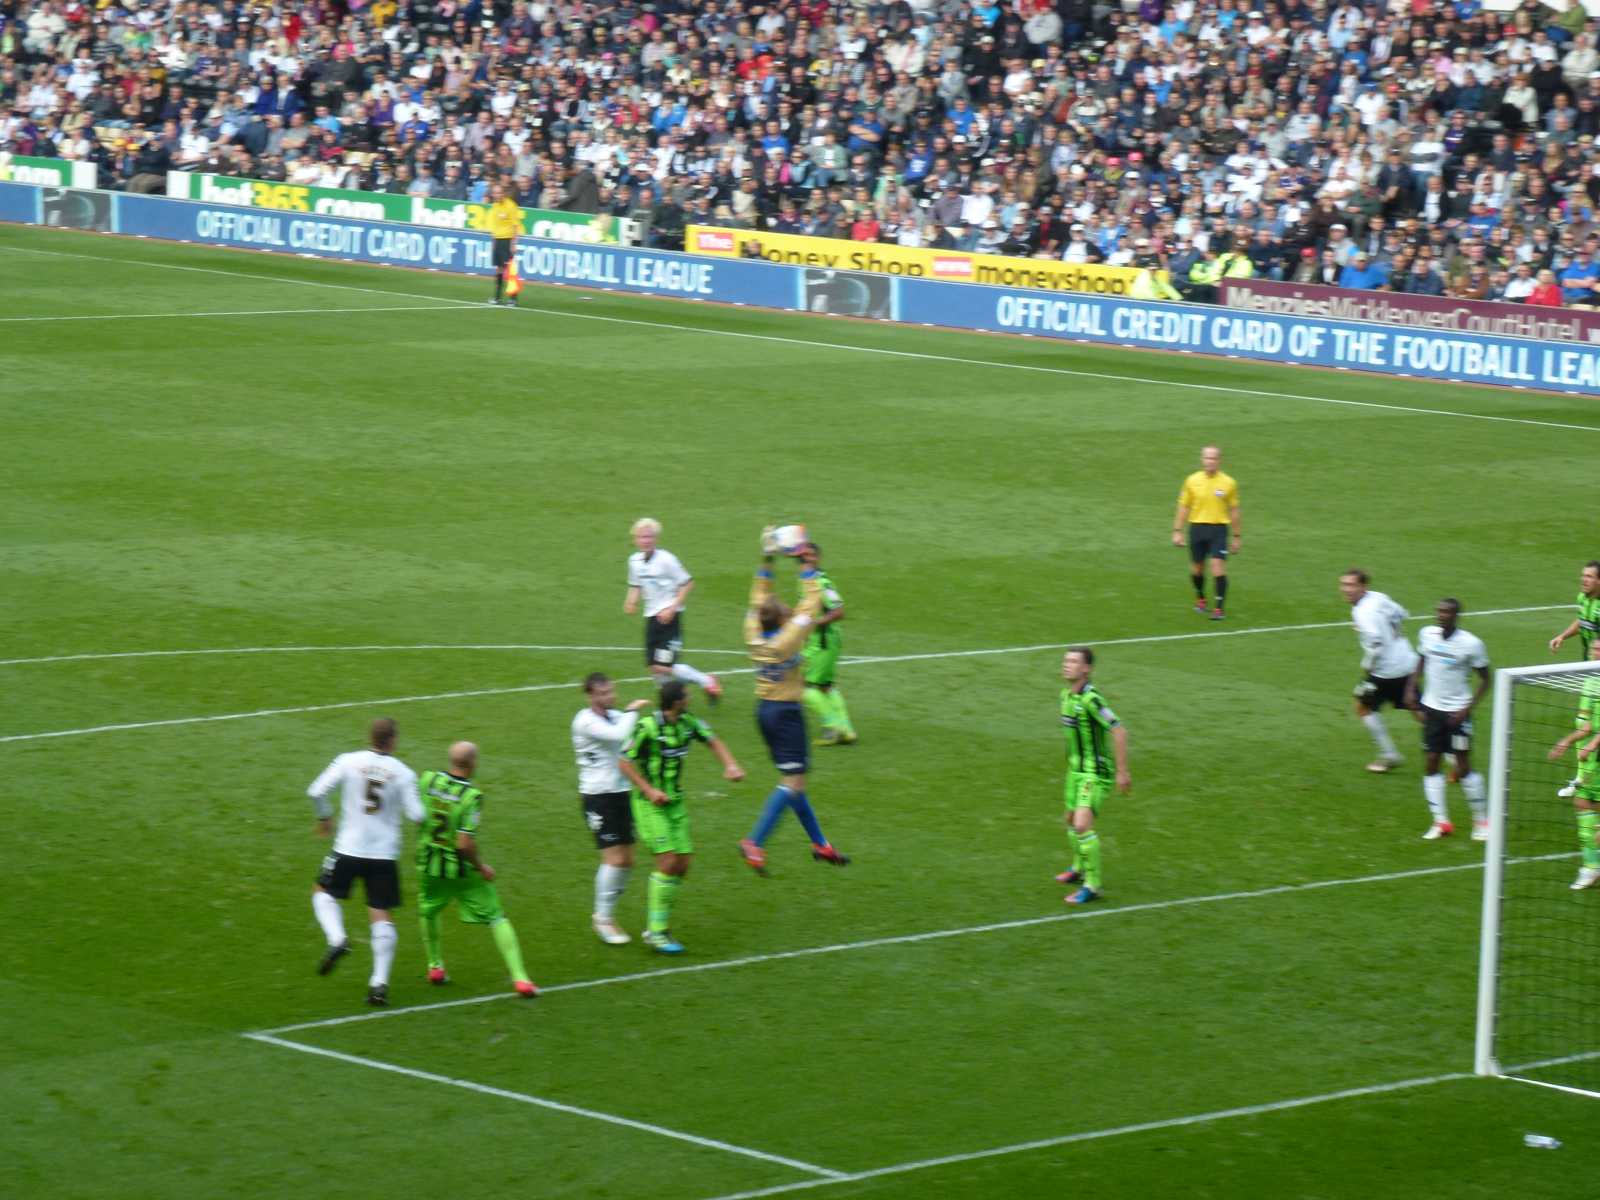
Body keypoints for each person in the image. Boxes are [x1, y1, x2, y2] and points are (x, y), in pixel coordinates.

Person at [737, 533, 851, 875]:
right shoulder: (790, 638)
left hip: (764, 711)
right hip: (786, 714)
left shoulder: (752, 630)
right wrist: (806, 564)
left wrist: (768, 557)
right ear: (782, 619)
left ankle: (821, 844)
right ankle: (754, 842)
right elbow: (811, 605)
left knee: (794, 782)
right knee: (793, 784)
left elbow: (759, 594)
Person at [619, 679, 744, 954]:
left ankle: (658, 924)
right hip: (650, 804)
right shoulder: (647, 727)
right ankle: (657, 931)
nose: (690, 697)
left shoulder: (688, 722)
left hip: (675, 801)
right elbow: (624, 761)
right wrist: (649, 790)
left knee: (683, 865)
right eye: (687, 694)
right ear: (676, 701)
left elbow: (713, 741)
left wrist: (730, 765)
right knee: (667, 860)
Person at [306, 717, 424, 1007]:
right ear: (394, 740)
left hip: (348, 848)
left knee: (322, 893)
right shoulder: (404, 774)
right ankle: (378, 983)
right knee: (380, 914)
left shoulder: (348, 761)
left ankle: (337, 938)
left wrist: (325, 817)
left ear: (370, 736)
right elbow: (417, 815)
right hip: (383, 855)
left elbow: (315, 791)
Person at [414, 742, 537, 997]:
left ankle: (435, 966)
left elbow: (416, 813)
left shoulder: (427, 780)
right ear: (472, 764)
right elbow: (464, 844)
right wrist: (481, 867)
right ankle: (520, 978)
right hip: (461, 870)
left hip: (429, 863)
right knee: (496, 917)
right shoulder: (472, 797)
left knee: (428, 910)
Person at [572, 672, 652, 944]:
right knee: (614, 859)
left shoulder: (615, 715)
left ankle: (608, 914)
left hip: (620, 793)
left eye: (611, 692)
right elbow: (620, 733)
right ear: (590, 696)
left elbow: (630, 736)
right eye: (603, 694)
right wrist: (632, 711)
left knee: (628, 860)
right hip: (598, 796)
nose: (610, 697)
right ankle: (603, 919)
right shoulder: (585, 721)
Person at [1406, 599, 1491, 841]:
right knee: (1431, 762)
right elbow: (1421, 661)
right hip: (1432, 711)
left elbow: (1486, 679)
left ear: (1456, 615)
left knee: (1463, 767)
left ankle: (1481, 821)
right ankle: (1441, 822)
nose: (1441, 615)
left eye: (1446, 612)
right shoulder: (1427, 634)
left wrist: (1467, 708)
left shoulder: (1471, 644)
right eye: (1439, 611)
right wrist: (1411, 689)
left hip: (1456, 714)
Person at [1054, 647, 1131, 906]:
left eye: (1073, 661)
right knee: (1069, 818)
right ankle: (1078, 867)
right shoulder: (1066, 696)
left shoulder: (1092, 699)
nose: (1067, 665)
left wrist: (1122, 771)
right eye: (1066, 660)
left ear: (1086, 669)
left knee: (1082, 825)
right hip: (1074, 771)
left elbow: (1119, 731)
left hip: (1094, 772)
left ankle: (1092, 885)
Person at [623, 518, 722, 702]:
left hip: (669, 618)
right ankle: (670, 701)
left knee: (663, 664)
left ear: (656, 538)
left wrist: (672, 608)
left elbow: (687, 583)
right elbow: (635, 585)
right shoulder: (634, 561)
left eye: (649, 537)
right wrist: (631, 602)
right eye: (641, 537)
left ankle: (705, 680)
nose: (645, 540)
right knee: (654, 666)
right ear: (635, 539)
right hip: (651, 618)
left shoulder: (667, 559)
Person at [1341, 569, 1420, 773]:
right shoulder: (1379, 597)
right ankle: (1454, 755)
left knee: (1362, 706)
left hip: (1385, 670)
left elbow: (1376, 643)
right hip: (1408, 662)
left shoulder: (1362, 612)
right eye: (1344, 584)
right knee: (1418, 710)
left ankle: (1389, 754)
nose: (1346, 589)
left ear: (1363, 587)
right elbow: (1404, 614)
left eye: (1351, 585)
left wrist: (1367, 664)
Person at [1545, 640, 1600, 890]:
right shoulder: (1591, 680)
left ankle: (1592, 866)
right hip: (1595, 762)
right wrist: (1567, 741)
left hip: (1595, 754)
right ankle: (1591, 868)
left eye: (1599, 650)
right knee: (1583, 804)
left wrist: (1591, 745)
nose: (1594, 653)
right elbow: (1589, 725)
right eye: (1593, 650)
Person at [1171, 445, 1241, 620]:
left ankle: (1219, 608)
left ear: (1219, 460)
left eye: (1213, 458)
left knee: (1217, 567)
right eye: (1207, 458)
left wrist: (1237, 536)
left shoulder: (1229, 483)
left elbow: (1233, 510)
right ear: (1202, 460)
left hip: (1218, 530)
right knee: (1197, 570)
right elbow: (1184, 506)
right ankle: (1201, 597)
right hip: (1197, 528)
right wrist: (1177, 530)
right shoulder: (1192, 480)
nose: (1210, 461)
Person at [799, 541, 856, 746]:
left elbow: (839, 611)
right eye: (803, 555)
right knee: (825, 687)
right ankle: (847, 730)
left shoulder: (820, 582)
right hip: (826, 641)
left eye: (811, 555)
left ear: (818, 558)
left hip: (822, 642)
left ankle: (833, 727)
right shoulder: (809, 580)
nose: (806, 558)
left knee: (801, 686)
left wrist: (814, 623)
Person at [1547, 560, 1600, 659]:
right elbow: (1583, 622)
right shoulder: (1582, 598)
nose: (1583, 580)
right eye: (1583, 576)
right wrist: (1562, 636)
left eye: (1589, 577)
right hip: (1588, 663)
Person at [486, 181, 522, 306]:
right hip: (498, 240)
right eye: (495, 193)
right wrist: (493, 241)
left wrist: (513, 243)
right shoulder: (495, 206)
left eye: (500, 192)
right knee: (499, 270)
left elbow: (516, 225)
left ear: (504, 193)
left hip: (507, 240)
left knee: (510, 270)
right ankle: (497, 298)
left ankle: (513, 299)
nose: (497, 195)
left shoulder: (511, 206)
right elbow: (494, 226)